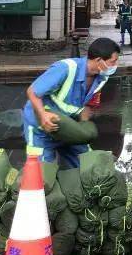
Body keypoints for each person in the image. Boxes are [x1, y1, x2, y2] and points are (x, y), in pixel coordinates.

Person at [22, 37, 121, 167]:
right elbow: (32, 92)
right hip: (41, 127)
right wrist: (43, 115)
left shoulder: (101, 77)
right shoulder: (66, 68)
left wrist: (84, 123)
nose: (115, 65)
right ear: (98, 60)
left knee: (88, 167)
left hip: (68, 126)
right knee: (40, 174)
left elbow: (85, 106)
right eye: (112, 62)